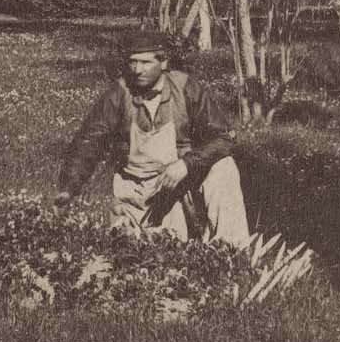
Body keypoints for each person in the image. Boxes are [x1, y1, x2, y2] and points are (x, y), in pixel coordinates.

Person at [56, 30, 250, 249]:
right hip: (138, 189)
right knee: (141, 253)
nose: (137, 70)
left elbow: (224, 138)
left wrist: (186, 164)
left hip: (181, 181)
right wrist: (68, 188)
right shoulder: (119, 93)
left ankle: (232, 253)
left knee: (224, 168)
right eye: (132, 62)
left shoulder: (186, 88)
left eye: (146, 62)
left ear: (163, 61)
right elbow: (89, 140)